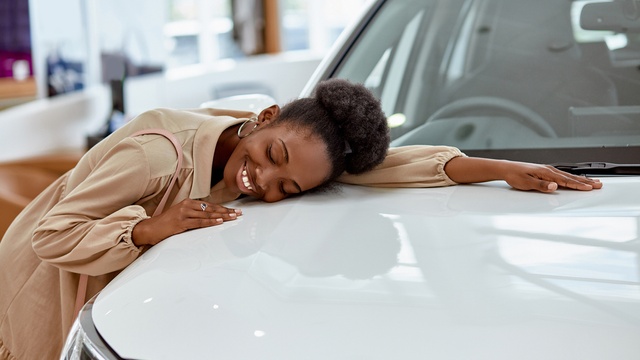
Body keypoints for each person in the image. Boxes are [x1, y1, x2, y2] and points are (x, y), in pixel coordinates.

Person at [0, 79, 600, 359]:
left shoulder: (289, 147)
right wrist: (149, 228)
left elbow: (381, 168)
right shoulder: (158, 153)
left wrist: (495, 168)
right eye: (271, 159)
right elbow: (54, 233)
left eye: (288, 187)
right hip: (32, 292)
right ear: (264, 116)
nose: (262, 182)